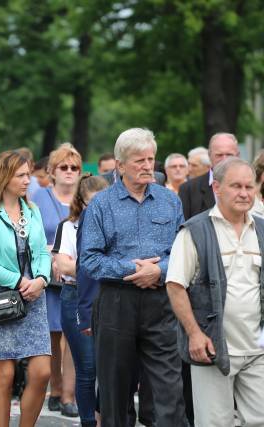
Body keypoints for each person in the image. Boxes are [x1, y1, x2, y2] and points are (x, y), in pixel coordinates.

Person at [80, 128, 186, 426]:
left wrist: (159, 271)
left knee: (168, 389)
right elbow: (89, 259)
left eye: (150, 159)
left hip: (161, 302)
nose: (146, 166)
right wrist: (133, 270)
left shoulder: (170, 201)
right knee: (114, 391)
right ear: (120, 165)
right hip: (116, 303)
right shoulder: (102, 205)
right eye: (139, 160)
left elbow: (183, 252)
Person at [166, 157, 264, 427]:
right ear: (217, 188)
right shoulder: (195, 231)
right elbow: (175, 285)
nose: (244, 193)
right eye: (236, 186)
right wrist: (194, 334)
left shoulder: (262, 229)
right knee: (214, 423)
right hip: (212, 348)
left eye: (249, 186)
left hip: (258, 351)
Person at [0, 150, 52, 427]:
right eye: (21, 175)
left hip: (35, 295)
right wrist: (20, 282)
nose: (27, 180)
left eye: (28, 174)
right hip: (2, 298)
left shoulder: (33, 211)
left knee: (42, 372)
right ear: (3, 177)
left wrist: (41, 279)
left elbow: (42, 252)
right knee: (4, 376)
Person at [52, 174, 108, 427]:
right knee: (87, 367)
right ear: (81, 203)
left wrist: (89, 267)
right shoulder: (69, 226)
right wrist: (101, 267)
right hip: (76, 296)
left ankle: (104, 417)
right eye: (92, 204)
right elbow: (63, 265)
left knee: (109, 368)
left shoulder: (115, 224)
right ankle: (88, 422)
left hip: (109, 297)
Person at [31, 143, 80, 416]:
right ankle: (56, 387)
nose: (69, 172)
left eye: (74, 167)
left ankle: (69, 396)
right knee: (52, 336)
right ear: (52, 171)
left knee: (74, 337)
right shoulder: (39, 197)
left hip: (76, 276)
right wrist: (50, 254)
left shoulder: (85, 197)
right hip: (48, 276)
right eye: (64, 167)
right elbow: (31, 236)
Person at [179, 133, 240, 220]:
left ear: (238, 156)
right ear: (209, 156)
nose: (224, 159)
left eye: (229, 154)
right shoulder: (188, 189)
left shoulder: (250, 187)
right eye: (219, 155)